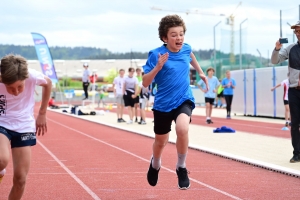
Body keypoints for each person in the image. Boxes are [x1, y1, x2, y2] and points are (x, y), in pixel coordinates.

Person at [143, 15, 208, 190]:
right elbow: (145, 82)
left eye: (181, 34)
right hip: (163, 103)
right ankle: (155, 163)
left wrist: (200, 72)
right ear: (165, 38)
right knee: (160, 142)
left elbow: (191, 54)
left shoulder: (186, 49)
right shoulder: (156, 54)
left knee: (182, 128)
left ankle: (181, 166)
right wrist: (157, 67)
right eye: (174, 35)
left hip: (183, 99)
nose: (179, 38)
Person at [0, 54, 52, 199]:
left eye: (20, 86)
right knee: (1, 159)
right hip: (1, 121)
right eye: (10, 88)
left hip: (24, 125)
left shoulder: (32, 76)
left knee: (20, 179)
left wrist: (42, 113)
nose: (16, 92)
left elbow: (48, 83)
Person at [271, 21, 300, 163]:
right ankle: (297, 153)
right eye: (297, 31)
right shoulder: (290, 48)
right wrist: (277, 49)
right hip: (294, 91)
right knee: (295, 123)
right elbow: (275, 60)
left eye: (299, 30)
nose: (298, 33)